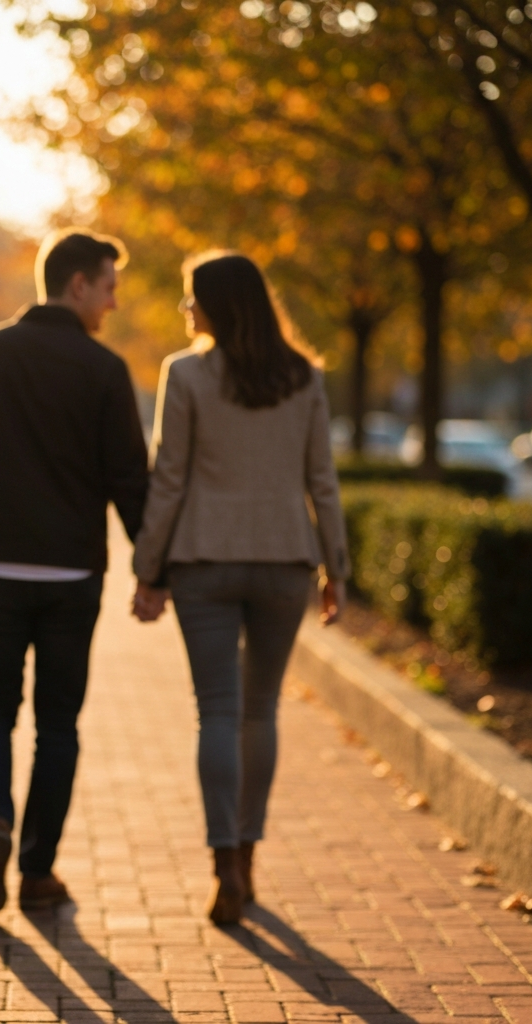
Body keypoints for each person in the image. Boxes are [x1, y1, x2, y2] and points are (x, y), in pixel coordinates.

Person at [0, 228, 148, 914]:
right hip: (70, 575)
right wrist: (151, 563)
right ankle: (37, 871)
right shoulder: (104, 371)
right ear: (76, 284)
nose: (113, 303)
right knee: (59, 725)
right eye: (108, 287)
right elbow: (129, 480)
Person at [131, 251, 350, 926]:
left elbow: (169, 478)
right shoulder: (304, 378)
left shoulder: (187, 374)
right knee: (262, 712)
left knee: (217, 713)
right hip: (286, 559)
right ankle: (248, 859)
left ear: (218, 306)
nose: (184, 310)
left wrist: (148, 569)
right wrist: (335, 567)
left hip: (204, 558)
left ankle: (223, 861)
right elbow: (323, 480)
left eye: (190, 298)